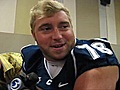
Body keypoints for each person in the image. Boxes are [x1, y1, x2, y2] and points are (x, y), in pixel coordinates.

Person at [20, 0, 120, 90]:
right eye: (46, 29)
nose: (57, 36)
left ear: (71, 28)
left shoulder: (92, 55)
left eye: (64, 26)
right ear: (34, 35)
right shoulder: (32, 57)